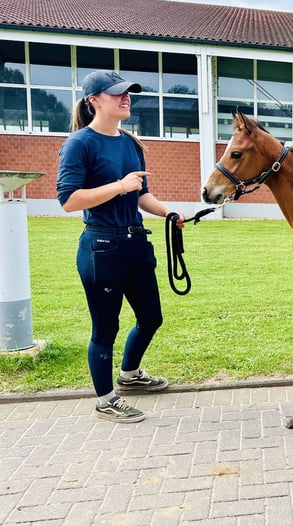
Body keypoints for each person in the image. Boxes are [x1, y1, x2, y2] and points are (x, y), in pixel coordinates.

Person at [56, 70, 185, 423]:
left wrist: (167, 210)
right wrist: (119, 186)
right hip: (101, 246)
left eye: (128, 93)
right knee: (105, 329)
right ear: (94, 100)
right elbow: (68, 200)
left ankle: (129, 376)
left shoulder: (130, 143)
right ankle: (105, 399)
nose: (126, 98)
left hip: (135, 242)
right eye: (117, 94)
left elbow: (141, 194)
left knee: (151, 318)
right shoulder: (79, 143)